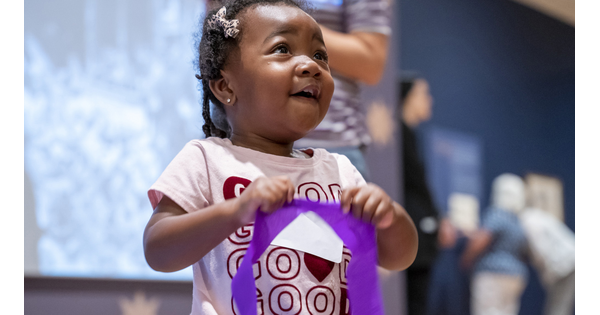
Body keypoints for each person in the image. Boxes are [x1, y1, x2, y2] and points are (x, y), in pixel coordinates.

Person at [143, 0, 418, 313]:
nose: (312, 66)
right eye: (282, 49)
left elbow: (399, 256)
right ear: (224, 85)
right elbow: (158, 250)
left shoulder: (339, 170)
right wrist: (237, 211)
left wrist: (389, 218)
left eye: (320, 55)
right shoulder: (206, 159)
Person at [292, 0, 391, 179]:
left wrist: (289, 20)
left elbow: (371, 63)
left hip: (332, 144)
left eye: (319, 57)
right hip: (245, 137)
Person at [399, 74, 449, 315]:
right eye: (424, 94)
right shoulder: (399, 137)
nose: (430, 100)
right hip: (411, 234)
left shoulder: (409, 136)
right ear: (407, 97)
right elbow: (417, 188)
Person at [461, 173, 529, 315]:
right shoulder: (518, 221)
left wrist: (466, 257)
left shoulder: (497, 214)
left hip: (493, 275)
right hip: (516, 275)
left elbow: (482, 239)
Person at [520, 207, 575, 315]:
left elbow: (540, 250)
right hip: (568, 262)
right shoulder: (536, 216)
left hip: (565, 266)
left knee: (558, 307)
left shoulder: (527, 221)